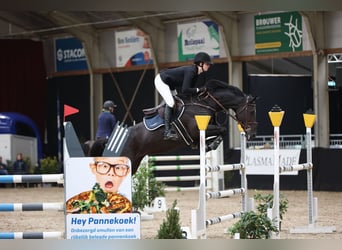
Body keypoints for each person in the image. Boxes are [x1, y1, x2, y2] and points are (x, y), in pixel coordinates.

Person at [154, 51, 212, 140]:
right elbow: (185, 90)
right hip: (161, 81)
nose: (209, 66)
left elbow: (189, 92)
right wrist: (199, 90)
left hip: (170, 84)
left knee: (177, 102)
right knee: (170, 103)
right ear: (201, 64)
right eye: (207, 64)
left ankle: (174, 125)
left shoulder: (196, 73)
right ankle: (167, 132)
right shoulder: (191, 72)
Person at [66, 156, 132, 214]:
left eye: (118, 167)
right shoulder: (78, 200)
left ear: (127, 172)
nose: (111, 173)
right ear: (93, 168)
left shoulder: (125, 205)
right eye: (104, 166)